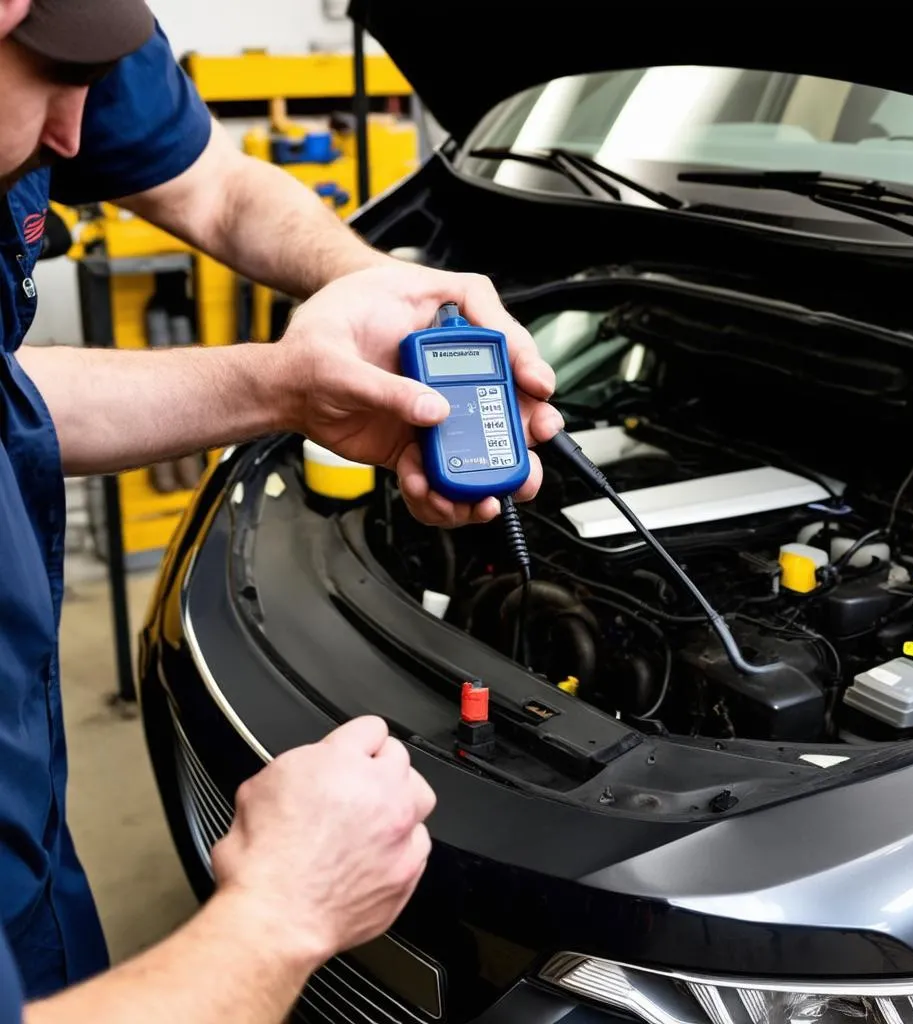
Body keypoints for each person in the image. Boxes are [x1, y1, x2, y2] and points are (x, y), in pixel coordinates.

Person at [0, 0, 562, 1019]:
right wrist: (280, 916)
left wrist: (346, 330)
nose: (75, 142)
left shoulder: (67, 35)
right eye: (45, 77)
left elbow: (209, 190)